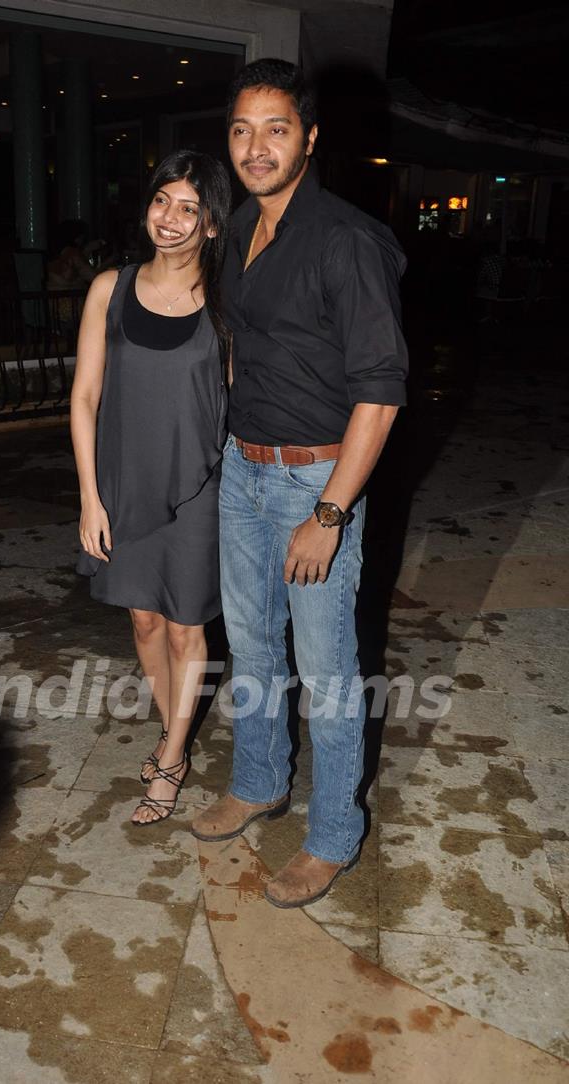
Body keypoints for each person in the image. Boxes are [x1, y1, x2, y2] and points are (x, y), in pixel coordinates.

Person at [191, 59, 409, 907]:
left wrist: (329, 512)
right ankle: (257, 781)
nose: (256, 145)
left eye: (276, 128)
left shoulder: (347, 240)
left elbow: (381, 393)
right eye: (242, 130)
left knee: (326, 671)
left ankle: (332, 834)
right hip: (244, 474)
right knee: (249, 647)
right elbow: (245, 346)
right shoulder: (240, 228)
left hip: (315, 481)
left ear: (310, 139)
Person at [71, 150, 231, 826]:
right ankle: (177, 737)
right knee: (143, 619)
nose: (169, 218)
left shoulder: (226, 304)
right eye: (162, 200)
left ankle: (170, 759)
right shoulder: (110, 288)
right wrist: (89, 496)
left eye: (188, 207)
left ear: (213, 224)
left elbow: (238, 399)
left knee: (186, 629)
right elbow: (83, 397)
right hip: (121, 486)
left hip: (198, 490)